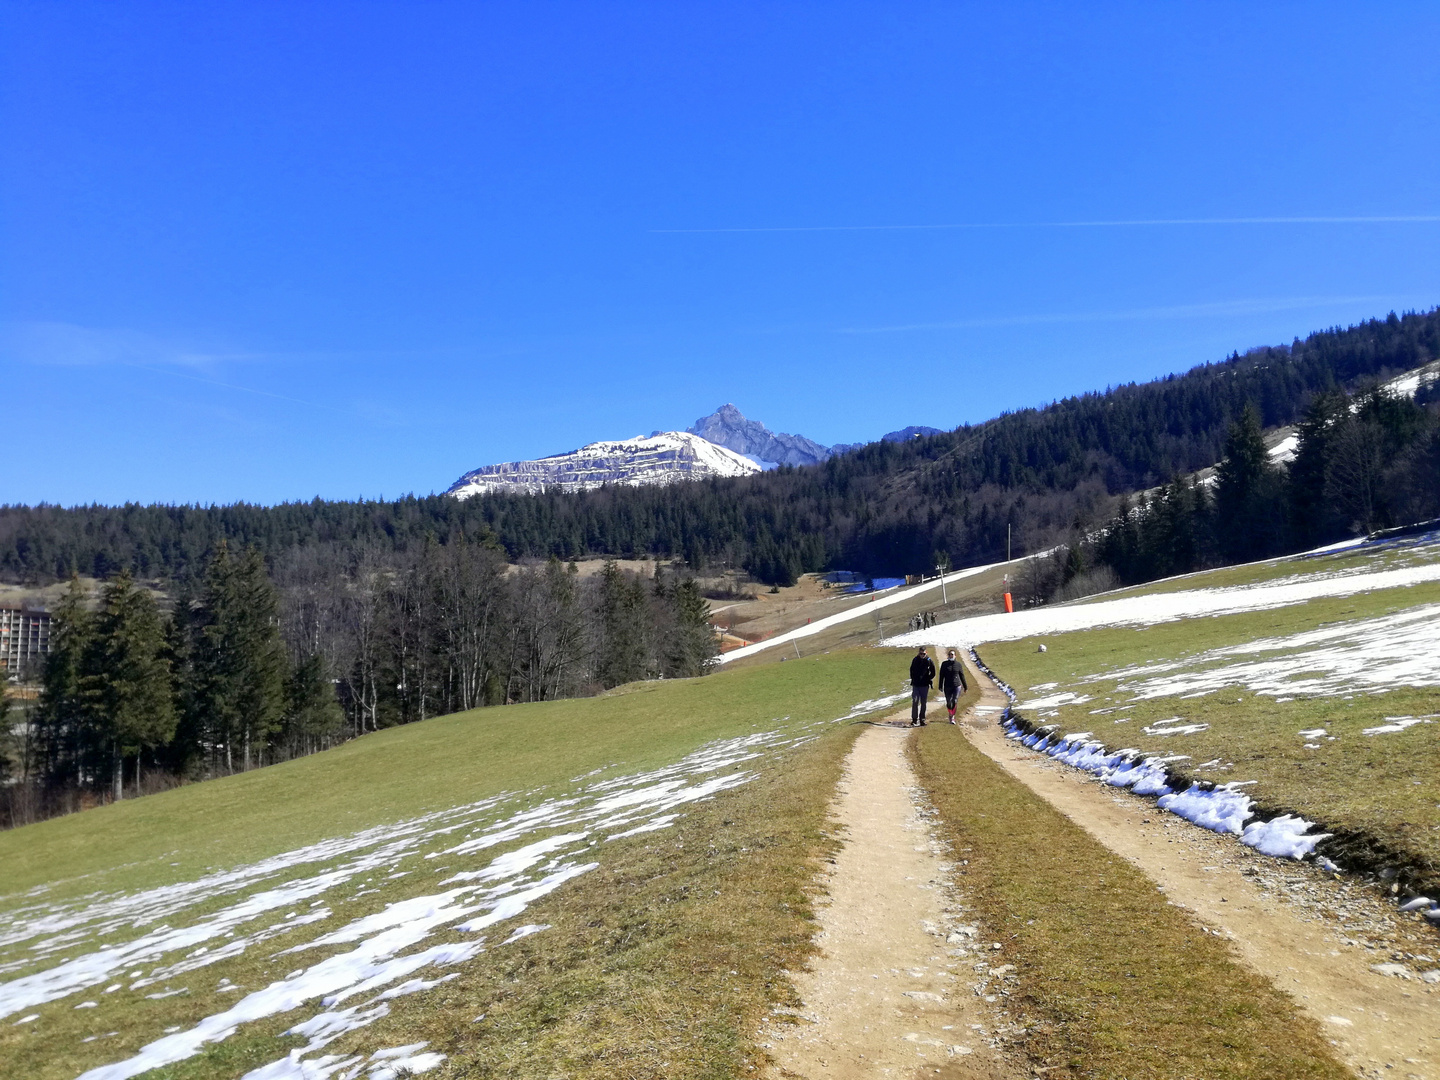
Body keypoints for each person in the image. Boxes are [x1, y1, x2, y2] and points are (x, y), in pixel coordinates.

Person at [938, 648, 968, 723]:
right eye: (950, 654)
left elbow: (962, 675)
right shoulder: (944, 664)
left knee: (954, 700)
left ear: (955, 656)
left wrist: (965, 686)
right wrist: (940, 685)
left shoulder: (958, 665)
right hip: (947, 686)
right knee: (949, 702)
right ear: (948, 656)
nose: (951, 656)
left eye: (952, 654)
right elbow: (941, 675)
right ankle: (950, 714)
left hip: (956, 685)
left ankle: (952, 717)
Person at [908, 646, 935, 726]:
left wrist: (928, 679)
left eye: (923, 654)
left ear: (926, 653)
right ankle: (914, 719)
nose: (922, 655)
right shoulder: (915, 660)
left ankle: (922, 719)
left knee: (923, 702)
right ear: (918, 653)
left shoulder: (929, 661)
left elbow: (933, 672)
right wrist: (913, 678)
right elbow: (911, 670)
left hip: (924, 685)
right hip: (916, 685)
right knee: (915, 701)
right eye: (920, 653)